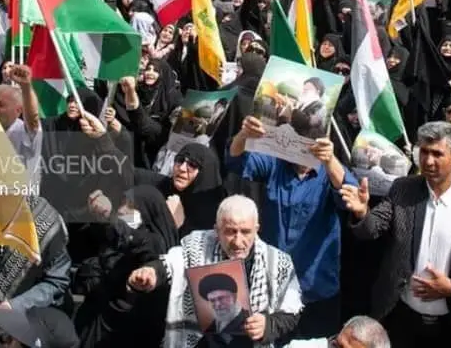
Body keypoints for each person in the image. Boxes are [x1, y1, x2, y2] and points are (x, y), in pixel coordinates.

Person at [340, 121, 451, 348]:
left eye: (437, 154)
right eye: (424, 152)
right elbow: (372, 229)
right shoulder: (403, 190)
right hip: (402, 320)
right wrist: (362, 213)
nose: (429, 161)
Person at [227, 115, 358, 338]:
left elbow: (350, 194)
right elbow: (236, 161)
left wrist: (330, 160)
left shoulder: (329, 171)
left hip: (316, 286)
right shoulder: (276, 163)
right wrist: (244, 135)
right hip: (274, 285)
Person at [127, 195, 302, 348]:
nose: (237, 241)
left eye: (246, 232)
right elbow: (171, 263)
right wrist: (151, 272)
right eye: (230, 232)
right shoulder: (198, 245)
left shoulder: (278, 262)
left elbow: (292, 311)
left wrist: (268, 325)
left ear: (256, 229)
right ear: (216, 230)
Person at [198, 272, 248, 336]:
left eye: (221, 298)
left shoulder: (249, 321)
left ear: (234, 297)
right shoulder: (211, 328)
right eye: (212, 300)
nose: (218, 304)